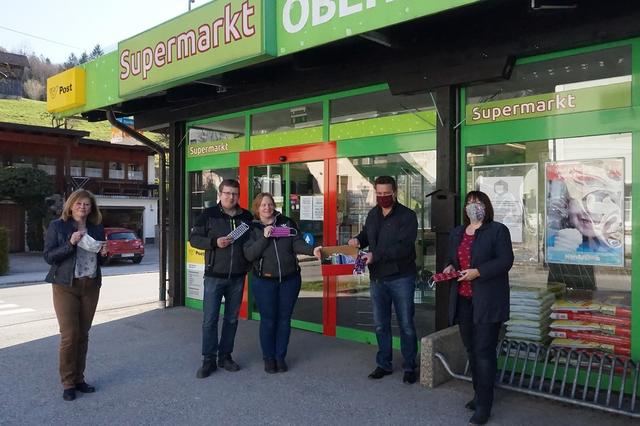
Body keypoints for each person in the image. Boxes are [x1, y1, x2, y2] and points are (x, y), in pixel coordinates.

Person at [442, 190, 514, 425]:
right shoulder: (457, 232)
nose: (474, 206)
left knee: (484, 351)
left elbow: (505, 261)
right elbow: (452, 258)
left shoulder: (497, 230)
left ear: (487, 206)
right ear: (464, 208)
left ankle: (485, 404)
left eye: (478, 202)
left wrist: (478, 272)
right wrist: (449, 268)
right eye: (470, 203)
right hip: (464, 300)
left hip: (488, 301)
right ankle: (478, 394)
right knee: (471, 349)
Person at [347, 175, 419, 384]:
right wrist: (357, 240)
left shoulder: (407, 216)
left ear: (394, 192)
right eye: (379, 194)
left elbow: (404, 247)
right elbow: (366, 234)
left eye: (386, 193)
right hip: (377, 278)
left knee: (406, 324)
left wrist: (375, 255)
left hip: (401, 277)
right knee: (380, 325)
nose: (383, 197)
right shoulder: (373, 214)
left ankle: (409, 366)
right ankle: (384, 364)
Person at [243, 192, 322, 373]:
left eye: (270, 204)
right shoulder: (251, 228)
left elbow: (297, 243)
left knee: (284, 320)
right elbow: (249, 254)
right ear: (257, 208)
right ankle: (268, 358)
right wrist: (265, 237)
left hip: (290, 279)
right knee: (269, 321)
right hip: (265, 282)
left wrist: (312, 250)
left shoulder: (287, 223)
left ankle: (280, 357)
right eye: (263, 205)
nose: (267, 208)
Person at [43, 189, 107, 401]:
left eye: (87, 204)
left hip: (90, 285)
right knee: (70, 335)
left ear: (92, 208)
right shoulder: (57, 226)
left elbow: (100, 258)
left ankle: (80, 378)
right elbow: (49, 257)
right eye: (79, 204)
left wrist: (105, 254)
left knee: (83, 334)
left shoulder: (96, 228)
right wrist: (70, 243)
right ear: (71, 206)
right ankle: (68, 382)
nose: (83, 207)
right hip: (65, 286)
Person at [189, 179, 254, 378]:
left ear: (239, 195)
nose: (231, 197)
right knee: (209, 320)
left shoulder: (246, 216)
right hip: (214, 277)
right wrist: (214, 242)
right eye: (227, 193)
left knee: (232, 319)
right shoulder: (208, 215)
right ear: (220, 194)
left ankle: (225, 356)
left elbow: (252, 241)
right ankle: (208, 359)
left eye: (234, 194)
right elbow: (194, 239)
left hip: (237, 276)